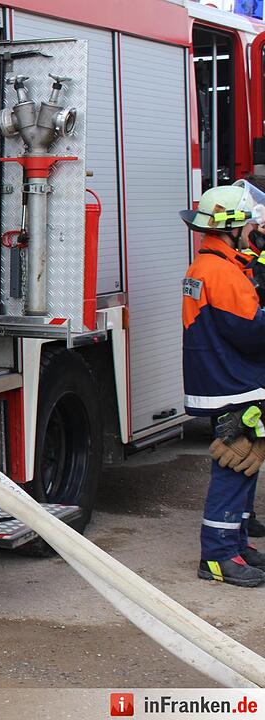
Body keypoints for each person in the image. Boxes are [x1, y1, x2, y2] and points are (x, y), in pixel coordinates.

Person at [181, 182, 265, 587]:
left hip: (223, 379)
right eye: (249, 222)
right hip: (234, 384)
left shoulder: (211, 265)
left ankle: (237, 544)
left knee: (243, 467)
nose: (254, 228)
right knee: (234, 465)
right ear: (233, 226)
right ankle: (217, 556)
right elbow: (251, 333)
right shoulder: (223, 272)